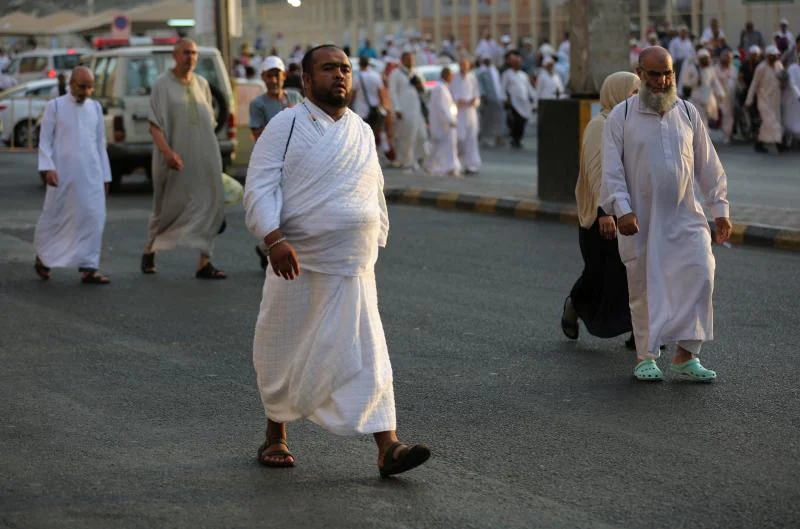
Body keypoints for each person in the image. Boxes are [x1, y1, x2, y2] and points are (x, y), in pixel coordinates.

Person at [243, 44, 431, 476]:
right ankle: (276, 436)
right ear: (306, 81)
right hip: (298, 263)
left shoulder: (362, 130)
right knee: (287, 345)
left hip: (353, 266)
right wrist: (273, 239)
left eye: (344, 68)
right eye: (329, 69)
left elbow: (373, 189)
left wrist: (372, 234)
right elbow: (259, 187)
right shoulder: (284, 126)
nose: (340, 76)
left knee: (368, 353)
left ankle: (388, 447)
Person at [601, 46, 732, 382]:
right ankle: (646, 356)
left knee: (702, 271)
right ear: (641, 74)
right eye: (655, 74)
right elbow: (611, 170)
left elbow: (708, 165)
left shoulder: (687, 113)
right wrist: (622, 210)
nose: (662, 81)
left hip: (686, 215)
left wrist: (719, 209)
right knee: (645, 286)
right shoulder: (622, 116)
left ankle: (687, 354)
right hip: (641, 220)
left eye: (668, 73)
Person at [562, 72, 640, 348]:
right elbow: (598, 172)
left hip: (631, 212)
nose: (637, 98)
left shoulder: (632, 125)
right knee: (602, 273)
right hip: (603, 216)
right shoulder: (600, 125)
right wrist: (603, 212)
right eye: (632, 92)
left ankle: (640, 331)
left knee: (636, 272)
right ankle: (574, 303)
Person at [142, 39, 226, 279]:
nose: (190, 57)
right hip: (173, 159)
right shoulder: (162, 84)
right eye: (186, 52)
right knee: (167, 207)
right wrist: (168, 153)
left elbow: (209, 121)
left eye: (194, 53)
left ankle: (204, 260)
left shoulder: (202, 84)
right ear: (175, 55)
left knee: (210, 204)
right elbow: (154, 124)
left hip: (204, 157)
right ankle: (150, 249)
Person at [34, 66, 112, 285]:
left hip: (92, 174)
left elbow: (100, 144)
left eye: (90, 87)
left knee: (93, 218)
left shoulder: (95, 108)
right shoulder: (55, 107)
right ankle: (44, 257)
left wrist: (106, 176)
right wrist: (48, 167)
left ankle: (89, 267)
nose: (86, 92)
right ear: (70, 84)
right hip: (62, 175)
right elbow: (45, 141)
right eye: (82, 86)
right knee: (57, 218)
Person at [249, 55, 303, 270]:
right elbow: (258, 134)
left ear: (283, 76)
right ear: (263, 77)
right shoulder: (258, 104)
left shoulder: (295, 97)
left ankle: (267, 245)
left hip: (296, 162)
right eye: (269, 75)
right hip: (273, 163)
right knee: (275, 207)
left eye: (276, 74)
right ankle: (269, 244)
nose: (273, 80)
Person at [388, 51, 427, 171]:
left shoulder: (417, 73)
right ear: (403, 60)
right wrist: (397, 109)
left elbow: (424, 90)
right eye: (408, 59)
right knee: (407, 136)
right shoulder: (396, 74)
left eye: (412, 59)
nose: (411, 61)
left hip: (416, 109)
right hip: (404, 110)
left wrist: (419, 84)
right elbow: (392, 92)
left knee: (421, 135)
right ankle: (407, 161)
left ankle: (418, 158)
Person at [746, 45, 785, 153]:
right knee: (770, 122)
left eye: (776, 55)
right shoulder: (761, 67)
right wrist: (749, 100)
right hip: (763, 100)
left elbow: (783, 80)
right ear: (768, 56)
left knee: (769, 122)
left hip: (775, 100)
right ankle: (779, 143)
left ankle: (760, 143)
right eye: (772, 56)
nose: (774, 58)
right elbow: (754, 84)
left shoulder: (779, 65)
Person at [424, 67, 461, 177]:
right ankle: (443, 167)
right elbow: (442, 107)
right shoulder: (440, 88)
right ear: (446, 75)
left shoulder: (443, 87)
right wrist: (451, 120)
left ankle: (446, 167)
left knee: (444, 147)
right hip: (443, 124)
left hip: (444, 124)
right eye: (451, 75)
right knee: (442, 147)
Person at [450, 57, 481, 173]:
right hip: (459, 112)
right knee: (460, 138)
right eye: (462, 64)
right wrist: (458, 101)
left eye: (465, 64)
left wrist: (475, 101)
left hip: (470, 112)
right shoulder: (454, 78)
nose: (464, 67)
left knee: (471, 138)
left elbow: (477, 94)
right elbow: (451, 94)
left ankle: (471, 164)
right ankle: (458, 162)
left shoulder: (472, 77)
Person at [502, 51, 536, 148]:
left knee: (522, 120)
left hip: (524, 102)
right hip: (514, 102)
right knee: (516, 120)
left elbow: (529, 88)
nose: (519, 64)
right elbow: (503, 88)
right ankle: (514, 139)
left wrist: (534, 97)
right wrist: (505, 99)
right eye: (517, 63)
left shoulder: (523, 75)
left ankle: (519, 138)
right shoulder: (507, 74)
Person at [683, 49, 726, 128]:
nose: (705, 61)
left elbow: (715, 83)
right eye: (703, 59)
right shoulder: (692, 68)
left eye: (706, 58)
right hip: (695, 101)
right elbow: (685, 82)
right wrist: (695, 81)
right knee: (694, 123)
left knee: (704, 124)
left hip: (707, 102)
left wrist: (721, 93)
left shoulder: (710, 70)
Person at [352, 55, 387, 143]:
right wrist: (382, 106)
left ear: (359, 64)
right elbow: (381, 94)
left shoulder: (356, 77)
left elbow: (353, 94)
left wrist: (348, 105)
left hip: (360, 111)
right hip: (375, 110)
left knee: (363, 137)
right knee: (374, 136)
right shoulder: (376, 76)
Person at [476, 54, 506, 147]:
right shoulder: (481, 72)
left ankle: (498, 137)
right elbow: (480, 86)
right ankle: (485, 138)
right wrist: (483, 96)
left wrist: (503, 97)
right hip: (489, 99)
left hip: (498, 98)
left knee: (499, 118)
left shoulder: (494, 70)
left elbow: (499, 85)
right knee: (487, 120)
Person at [713, 50, 738, 144]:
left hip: (727, 97)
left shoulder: (733, 69)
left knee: (727, 117)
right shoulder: (715, 68)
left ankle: (727, 135)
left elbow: (732, 83)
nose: (726, 60)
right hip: (715, 96)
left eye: (728, 58)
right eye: (725, 58)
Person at [782, 49, 800, 140]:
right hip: (791, 99)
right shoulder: (792, 68)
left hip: (797, 102)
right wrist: (798, 95)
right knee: (788, 120)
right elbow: (792, 83)